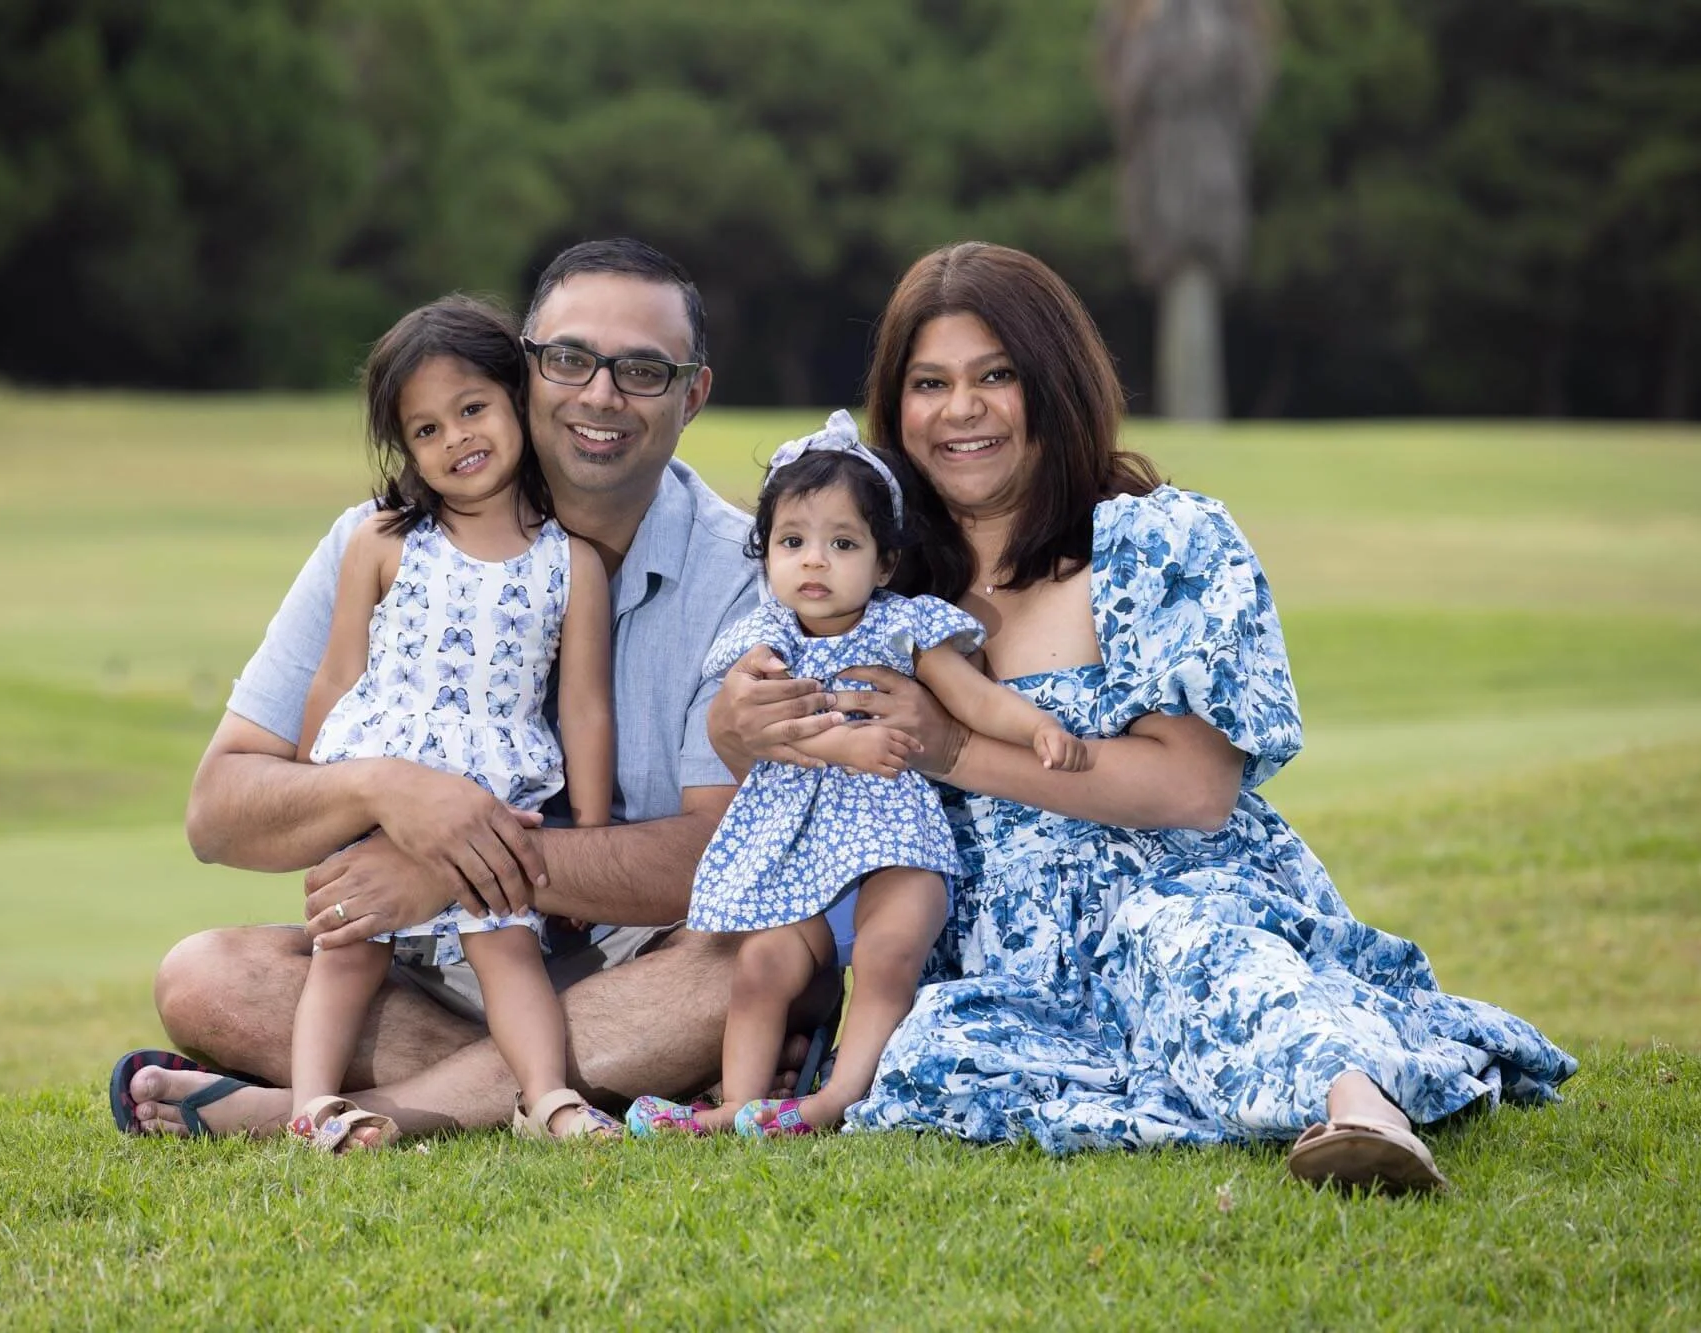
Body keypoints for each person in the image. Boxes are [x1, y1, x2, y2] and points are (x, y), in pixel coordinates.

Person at [710, 242, 1577, 1191]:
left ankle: (1360, 1118)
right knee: (933, 1060)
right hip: (991, 944)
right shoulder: (870, 569)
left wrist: (952, 747)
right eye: (930, 383)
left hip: (1172, 885)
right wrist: (742, 725)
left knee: (1198, 960)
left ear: (1056, 382)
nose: (961, 409)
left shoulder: (1159, 542)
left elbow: (1196, 791)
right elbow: (761, 724)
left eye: (996, 375)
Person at [111, 239, 812, 1145]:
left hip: (639, 954)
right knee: (203, 975)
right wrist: (379, 790)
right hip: (427, 961)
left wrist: (449, 863)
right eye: (569, 359)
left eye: (643, 370)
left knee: (750, 968)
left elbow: (716, 856)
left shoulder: (749, 575)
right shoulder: (381, 541)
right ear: (523, 371)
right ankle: (578, 1084)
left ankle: (365, 1111)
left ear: (694, 395)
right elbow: (219, 813)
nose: (601, 395)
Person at [627, 412, 1089, 1139]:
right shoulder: (764, 638)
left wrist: (1033, 726)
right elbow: (752, 728)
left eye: (842, 543)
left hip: (893, 848)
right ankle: (742, 1107)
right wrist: (831, 745)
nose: (815, 561)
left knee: (886, 954)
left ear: (882, 562)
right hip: (801, 854)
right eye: (793, 542)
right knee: (761, 965)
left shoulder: (900, 627)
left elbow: (972, 698)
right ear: (766, 556)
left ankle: (836, 1095)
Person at [286, 295, 620, 1148]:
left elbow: (584, 707)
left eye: (472, 409)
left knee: (505, 948)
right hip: (376, 789)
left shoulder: (569, 562)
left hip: (489, 794)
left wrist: (584, 830)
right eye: (426, 430)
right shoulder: (383, 540)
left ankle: (549, 1099)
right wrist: (311, 803)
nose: (456, 439)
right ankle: (314, 1103)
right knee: (349, 948)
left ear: (516, 399)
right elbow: (337, 676)